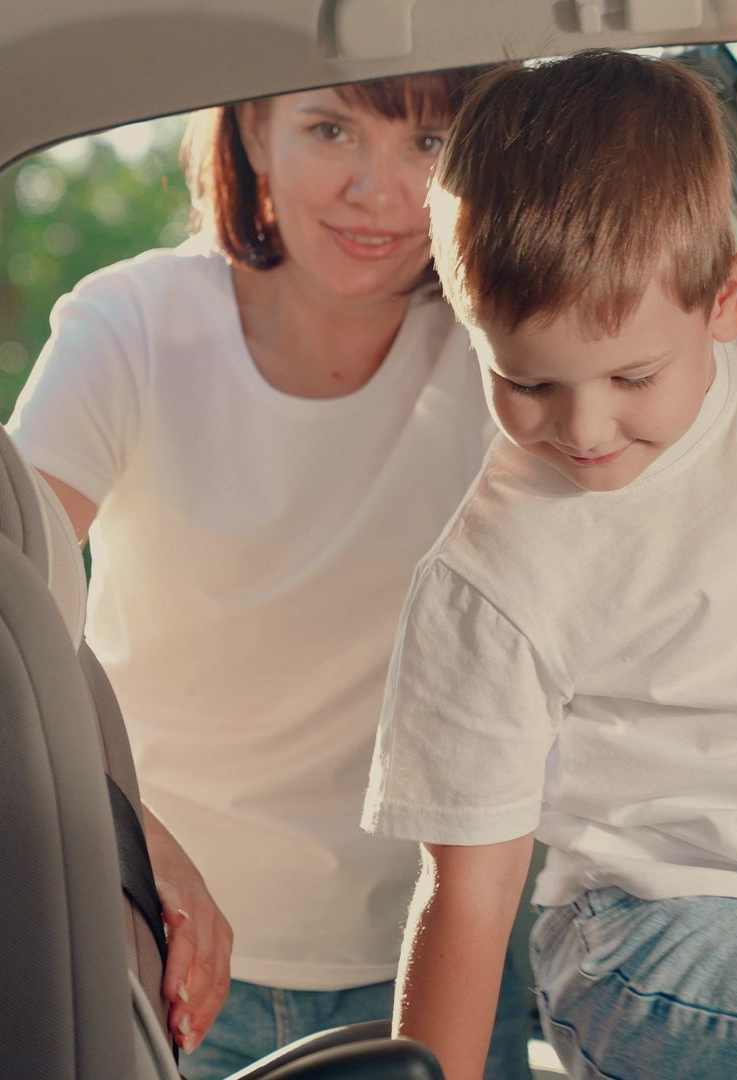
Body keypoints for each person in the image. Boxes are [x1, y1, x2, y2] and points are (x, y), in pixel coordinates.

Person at [8, 72, 533, 1079]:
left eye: (428, 144)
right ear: (253, 126)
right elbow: (11, 612)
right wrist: (131, 839)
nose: (380, 192)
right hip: (172, 955)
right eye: (332, 128)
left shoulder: (501, 354)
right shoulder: (132, 328)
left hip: (438, 957)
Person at [361, 49, 737, 1080]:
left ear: (729, 296)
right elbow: (469, 896)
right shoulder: (493, 576)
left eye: (632, 374)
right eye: (525, 382)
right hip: (649, 945)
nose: (584, 427)